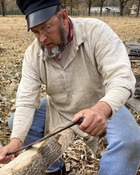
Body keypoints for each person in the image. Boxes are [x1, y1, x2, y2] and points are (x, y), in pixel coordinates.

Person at [0, 0, 140, 174]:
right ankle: (54, 169)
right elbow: (26, 100)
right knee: (17, 123)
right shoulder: (33, 54)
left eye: (46, 28)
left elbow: (122, 78)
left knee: (130, 141)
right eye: (36, 32)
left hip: (100, 103)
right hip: (58, 108)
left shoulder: (96, 32)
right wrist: (15, 142)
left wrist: (102, 109)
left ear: (64, 16)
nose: (42, 38)